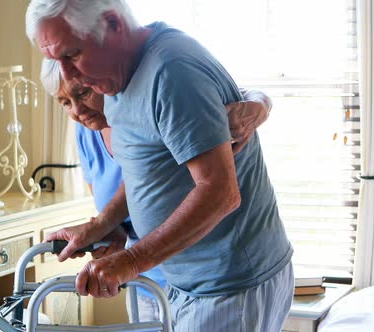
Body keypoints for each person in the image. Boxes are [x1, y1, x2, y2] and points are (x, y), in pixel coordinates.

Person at [26, 1, 294, 330]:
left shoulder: (172, 72)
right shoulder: (112, 78)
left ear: (112, 24)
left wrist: (132, 261)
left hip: (229, 283)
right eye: (56, 60)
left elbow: (221, 193)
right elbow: (146, 169)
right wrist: (101, 224)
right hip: (186, 283)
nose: (66, 75)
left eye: (72, 54)